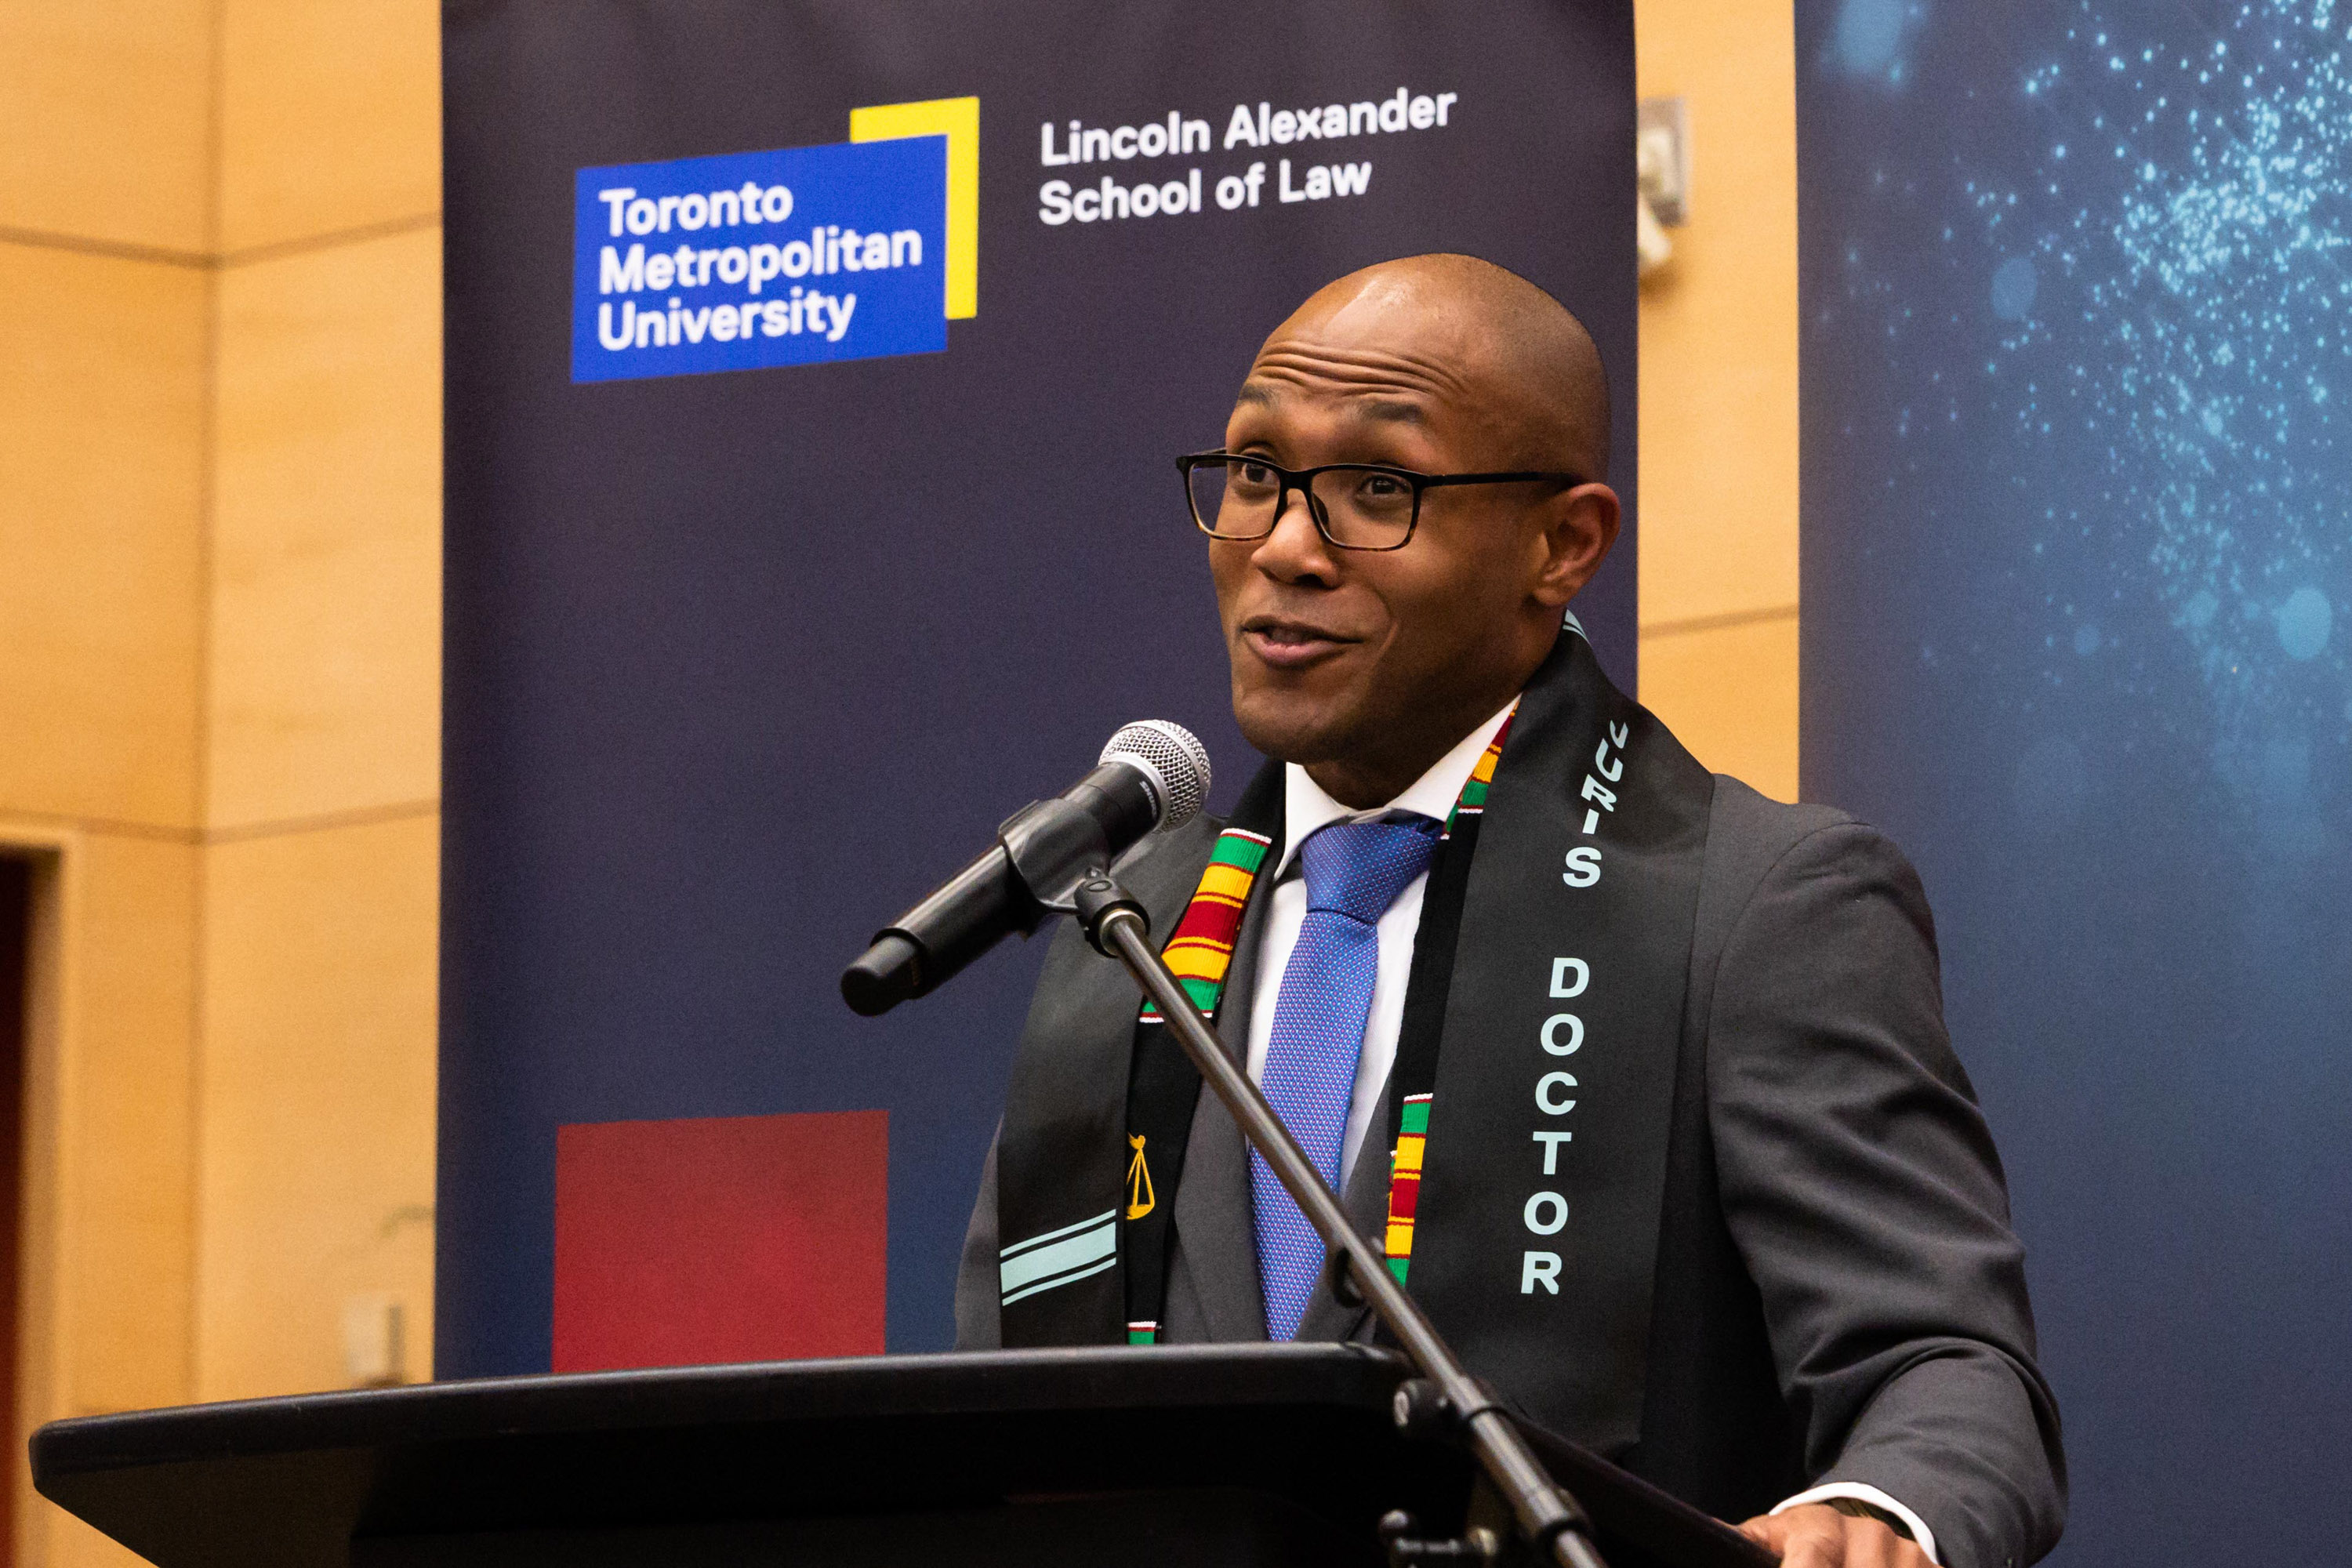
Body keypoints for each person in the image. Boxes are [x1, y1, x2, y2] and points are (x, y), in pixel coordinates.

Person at [954, 254, 2063, 1568]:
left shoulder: (1755, 908)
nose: (1285, 548)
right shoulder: (1128, 929)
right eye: (1255, 473)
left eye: (1378, 489)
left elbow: (1944, 1371)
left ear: (1564, 545)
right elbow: (996, 1422)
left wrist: (1877, 1518)